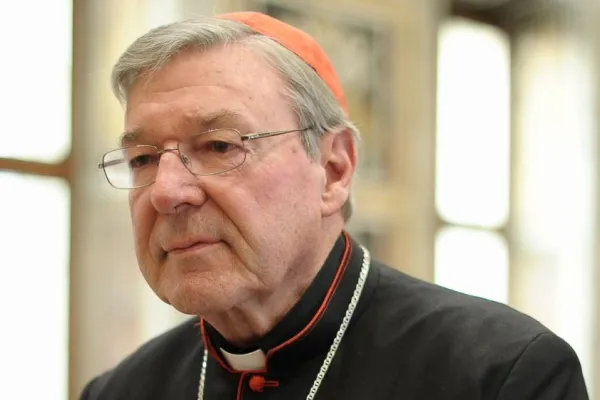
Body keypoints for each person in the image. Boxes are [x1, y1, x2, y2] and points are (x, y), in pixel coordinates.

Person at [82, 11, 589, 400]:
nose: (167, 192)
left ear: (333, 170)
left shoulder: (499, 374)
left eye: (220, 146)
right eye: (143, 158)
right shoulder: (119, 392)